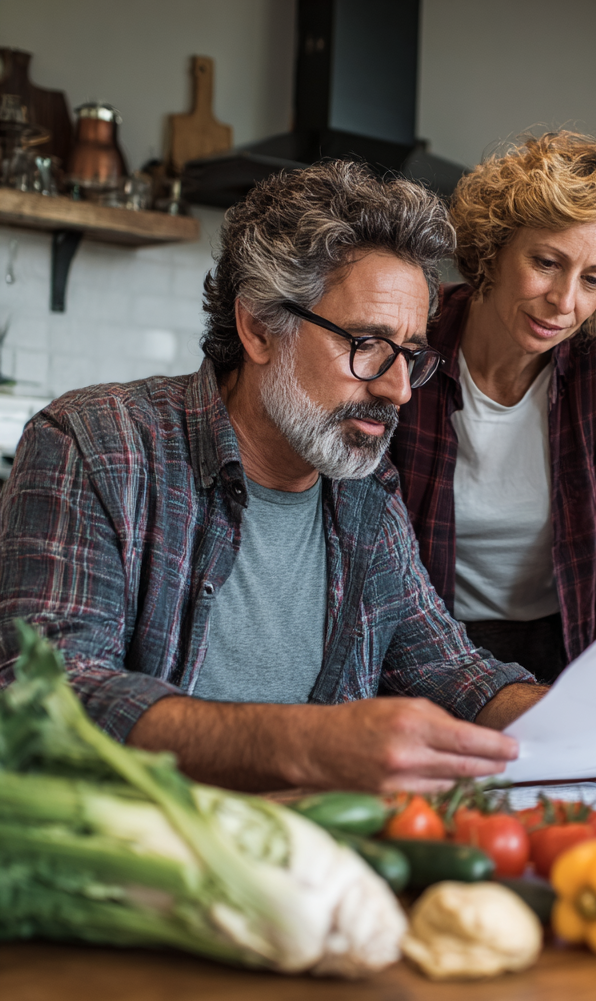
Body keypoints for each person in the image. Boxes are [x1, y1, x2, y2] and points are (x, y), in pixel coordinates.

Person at [0, 161, 550, 794]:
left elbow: (454, 673)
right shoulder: (95, 444)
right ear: (260, 326)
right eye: (367, 343)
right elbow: (49, 693)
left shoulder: (367, 494)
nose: (398, 389)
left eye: (409, 354)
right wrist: (307, 743)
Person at [390, 131, 596, 683]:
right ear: (495, 250)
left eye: (592, 279)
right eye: (546, 262)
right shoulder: (414, 340)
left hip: (563, 649)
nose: (565, 303)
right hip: (416, 646)